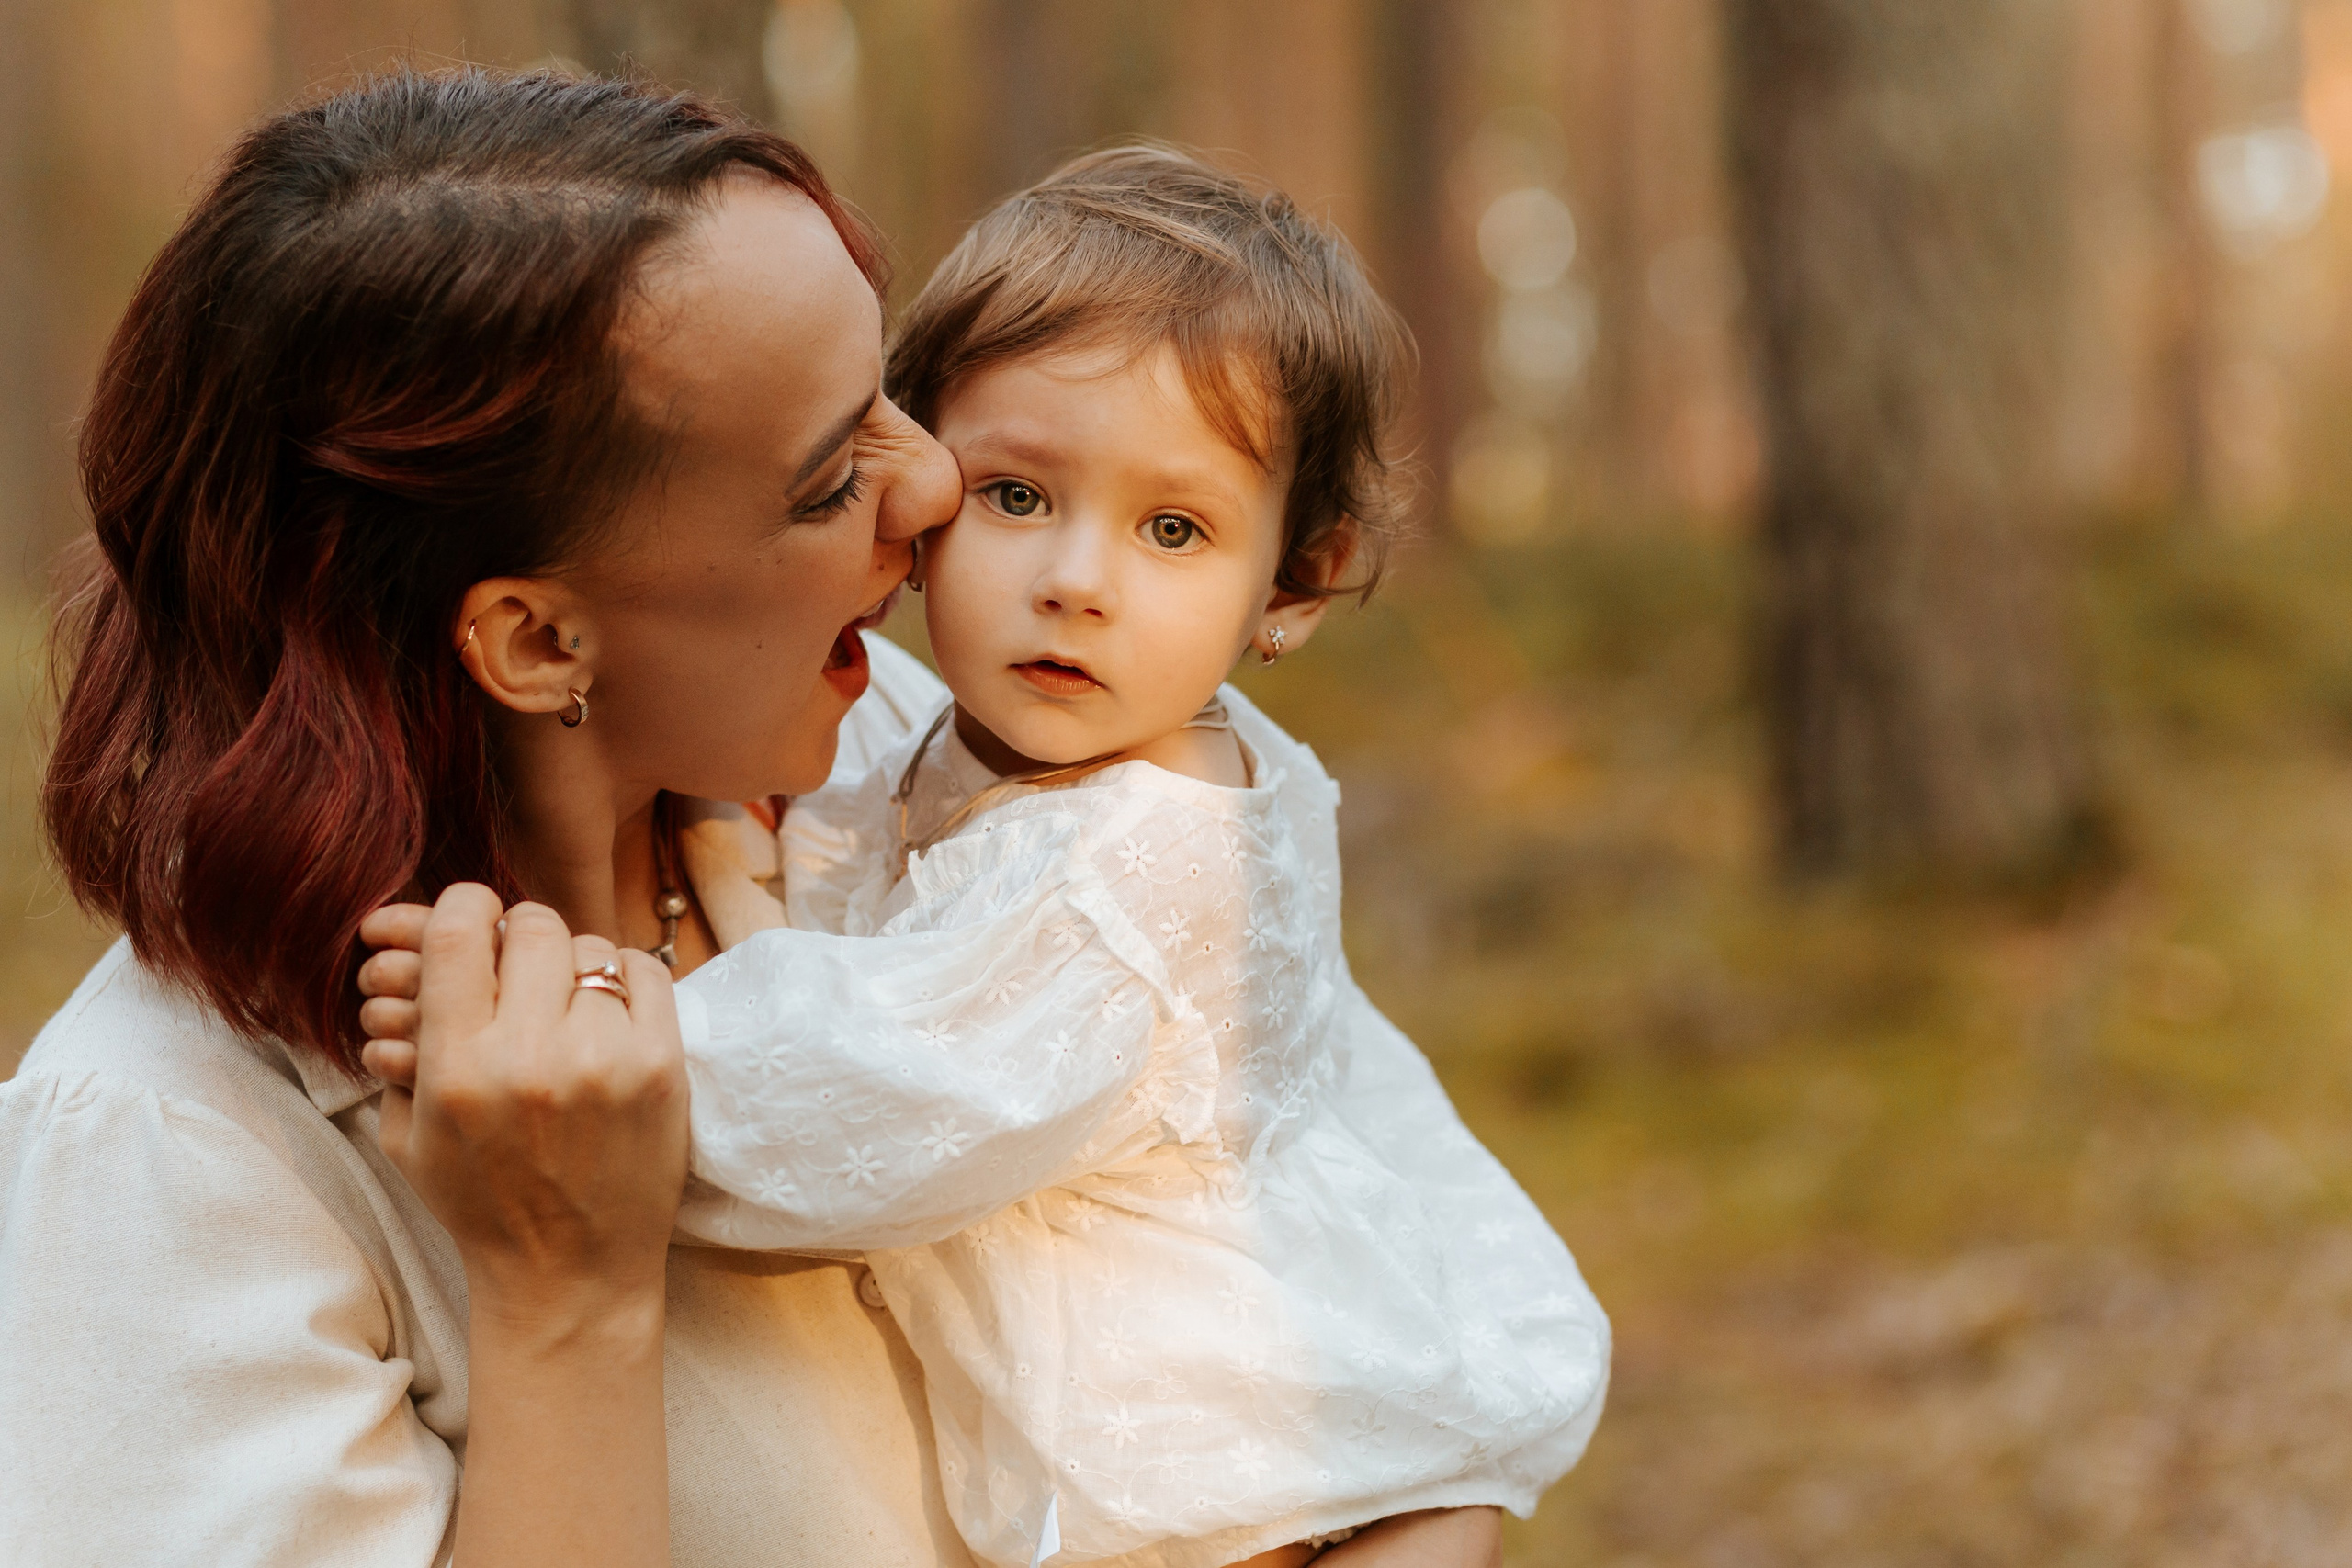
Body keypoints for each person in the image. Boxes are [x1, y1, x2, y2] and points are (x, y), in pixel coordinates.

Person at [0, 67, 1506, 1568]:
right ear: (539, 642)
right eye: (825, 472)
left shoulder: (922, 751)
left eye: (894, 404)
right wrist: (568, 1308)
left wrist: (1426, 1515)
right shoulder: (165, 1160)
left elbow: (1432, 1288)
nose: (932, 488)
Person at [361, 151, 1608, 1568]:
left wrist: (566, 1037)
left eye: (1175, 529)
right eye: (1018, 497)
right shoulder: (986, 743)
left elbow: (876, 1087)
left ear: (1297, 584)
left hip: (1231, 1512)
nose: (1078, 578)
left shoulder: (1132, 873)